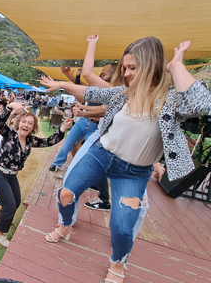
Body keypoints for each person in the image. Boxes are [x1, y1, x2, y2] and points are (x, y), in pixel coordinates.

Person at [41, 36, 211, 283]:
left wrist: (176, 66)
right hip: (101, 155)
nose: (128, 73)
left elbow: (201, 104)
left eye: (133, 68)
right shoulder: (123, 93)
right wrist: (60, 84)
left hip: (133, 172)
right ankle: (65, 226)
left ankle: (118, 262)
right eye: (125, 68)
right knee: (65, 194)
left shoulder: (170, 98)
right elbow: (90, 90)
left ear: (151, 65)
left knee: (122, 227)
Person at [0, 102, 73, 248]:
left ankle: (1, 216)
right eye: (23, 121)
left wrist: (64, 128)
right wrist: (10, 107)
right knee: (10, 206)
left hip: (11, 176)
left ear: (33, 127)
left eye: (30, 123)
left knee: (15, 203)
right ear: (18, 122)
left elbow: (49, 141)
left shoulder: (30, 140)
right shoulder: (9, 134)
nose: (26, 125)